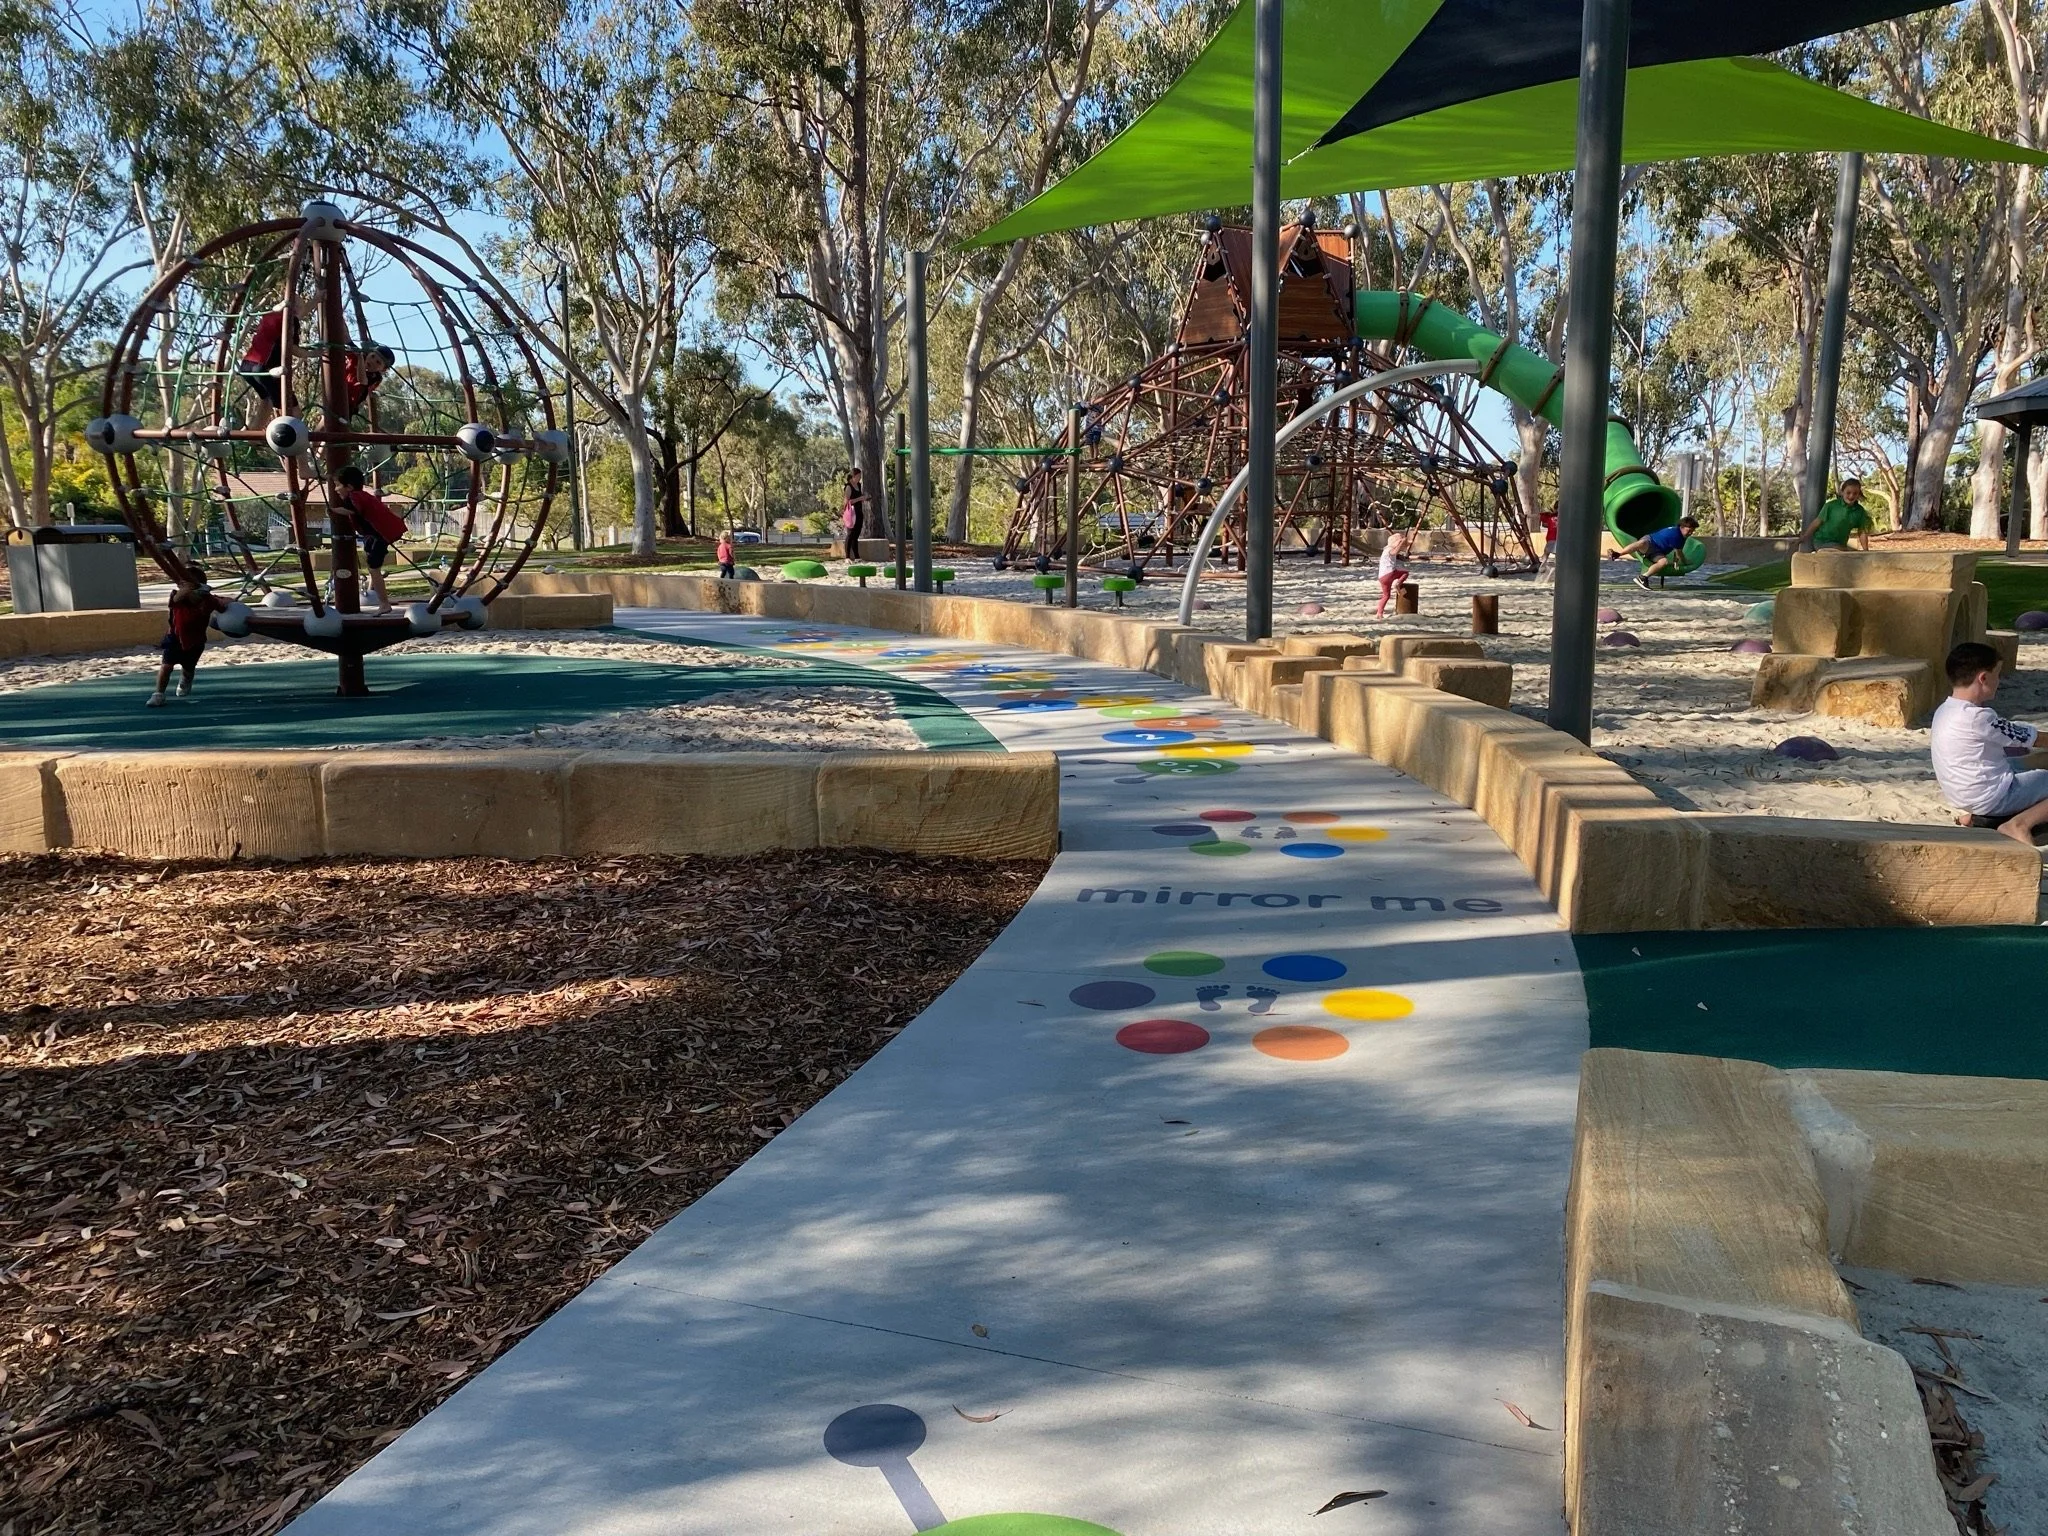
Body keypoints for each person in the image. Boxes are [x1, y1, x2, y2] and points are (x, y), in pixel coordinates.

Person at [1931, 641, 2048, 844]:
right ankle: (2018, 825)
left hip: (1962, 793)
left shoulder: (1946, 710)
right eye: (1997, 675)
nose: (1998, 681)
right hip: (1990, 796)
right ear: (1983, 678)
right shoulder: (1978, 717)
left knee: (2037, 760)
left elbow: (2008, 741)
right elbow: (2034, 738)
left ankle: (1976, 819)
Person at [335, 464, 409, 613]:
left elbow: (351, 510)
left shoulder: (354, 496)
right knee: (372, 566)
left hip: (379, 535)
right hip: (377, 534)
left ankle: (384, 604)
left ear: (348, 486)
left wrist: (331, 510)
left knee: (374, 568)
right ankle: (375, 593)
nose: (335, 490)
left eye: (337, 485)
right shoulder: (362, 495)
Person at [148, 569, 225, 707]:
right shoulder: (177, 597)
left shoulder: (207, 599)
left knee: (189, 667)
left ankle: (186, 679)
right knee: (166, 666)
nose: (182, 587)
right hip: (175, 638)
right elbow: (177, 598)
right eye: (181, 584)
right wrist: (186, 588)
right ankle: (158, 694)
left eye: (186, 584)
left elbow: (221, 606)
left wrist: (225, 601)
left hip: (196, 640)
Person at [237, 294, 304, 428]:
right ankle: (286, 443)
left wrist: (317, 299)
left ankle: (252, 440)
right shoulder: (290, 320)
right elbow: (294, 349)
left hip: (246, 367)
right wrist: (315, 353)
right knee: (294, 413)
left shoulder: (269, 315)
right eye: (299, 307)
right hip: (264, 369)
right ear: (294, 308)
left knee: (267, 402)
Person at [1619, 514, 1700, 589]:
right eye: (1689, 531)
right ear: (1682, 527)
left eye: (1692, 532)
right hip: (1650, 542)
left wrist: (1676, 562)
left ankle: (1643, 577)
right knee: (1642, 543)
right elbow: (1679, 553)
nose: (1690, 533)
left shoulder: (1682, 537)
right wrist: (1685, 562)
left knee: (1664, 562)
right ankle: (1619, 554)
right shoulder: (1676, 534)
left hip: (1657, 553)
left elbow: (1678, 551)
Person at [1802, 477, 1873, 552]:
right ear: (1842, 492)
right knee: (1848, 552)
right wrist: (1805, 536)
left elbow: (1862, 531)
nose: (1851, 496)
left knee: (1852, 554)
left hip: (1841, 545)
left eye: (1855, 493)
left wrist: (1866, 550)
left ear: (1859, 494)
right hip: (1822, 542)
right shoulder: (1830, 506)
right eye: (1848, 493)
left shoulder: (1860, 511)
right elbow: (1817, 522)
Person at [1375, 525, 1415, 619]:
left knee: (1386, 596)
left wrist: (1407, 542)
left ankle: (1379, 613)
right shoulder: (1389, 550)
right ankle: (1398, 584)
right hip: (1390, 573)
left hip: (1382, 577)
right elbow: (1395, 552)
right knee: (1405, 573)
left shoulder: (1385, 550)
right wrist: (1401, 542)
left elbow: (1399, 550)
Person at [344, 344, 395, 417]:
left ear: (383, 369)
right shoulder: (356, 357)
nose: (372, 361)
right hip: (334, 387)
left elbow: (362, 380)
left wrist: (360, 358)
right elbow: (347, 339)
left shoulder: (375, 378)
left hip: (347, 405)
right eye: (372, 356)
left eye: (378, 362)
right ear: (369, 353)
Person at [841, 468, 865, 557]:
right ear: (853, 476)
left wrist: (864, 498)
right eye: (858, 476)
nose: (860, 478)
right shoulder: (848, 487)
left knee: (856, 535)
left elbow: (859, 498)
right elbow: (847, 502)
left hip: (859, 512)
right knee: (850, 534)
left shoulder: (858, 485)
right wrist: (859, 499)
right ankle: (847, 556)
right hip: (851, 513)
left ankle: (857, 556)